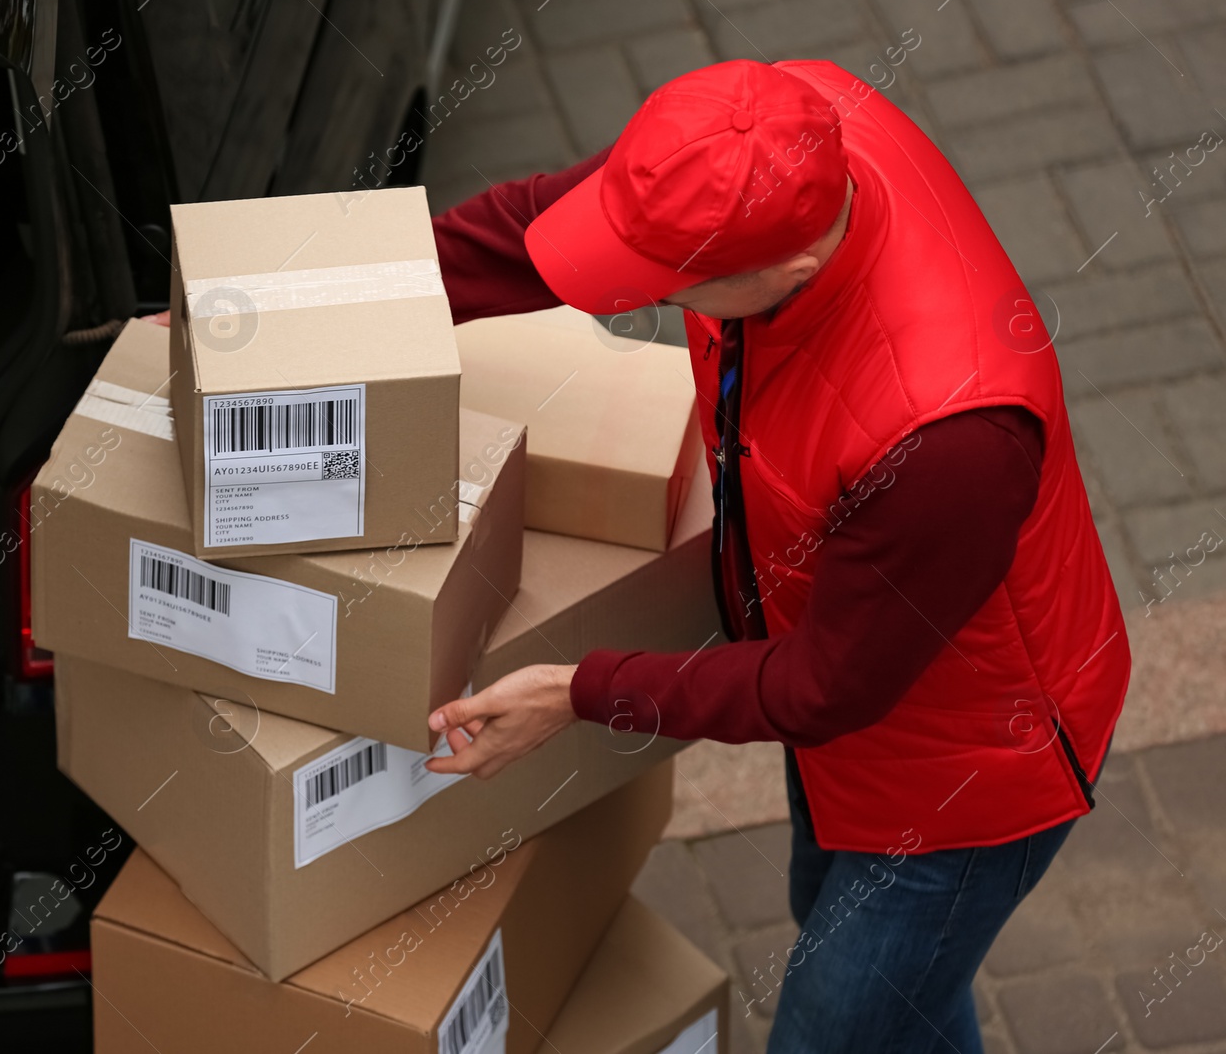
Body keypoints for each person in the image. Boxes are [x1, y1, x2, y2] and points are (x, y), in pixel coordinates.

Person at [420, 59, 1130, 1054]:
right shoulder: (770, 136)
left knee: (833, 1030)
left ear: (786, 272)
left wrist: (577, 692)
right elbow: (548, 230)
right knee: (876, 972)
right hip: (853, 672)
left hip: (970, 770)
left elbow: (821, 687)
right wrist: (320, 313)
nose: (642, 297)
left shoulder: (950, 438)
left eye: (669, 285)